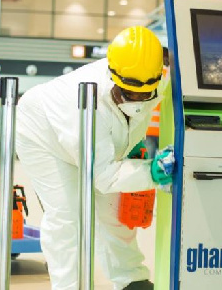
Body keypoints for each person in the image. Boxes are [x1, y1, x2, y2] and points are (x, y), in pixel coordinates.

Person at [15, 26, 173, 290]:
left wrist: (131, 148)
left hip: (96, 139)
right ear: (114, 76)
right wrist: (150, 172)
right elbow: (104, 177)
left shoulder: (154, 76)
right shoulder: (82, 100)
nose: (139, 99)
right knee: (67, 215)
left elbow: (136, 114)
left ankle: (130, 280)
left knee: (114, 212)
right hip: (42, 135)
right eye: (130, 93)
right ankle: (69, 286)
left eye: (146, 93)